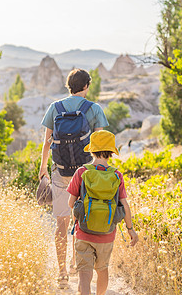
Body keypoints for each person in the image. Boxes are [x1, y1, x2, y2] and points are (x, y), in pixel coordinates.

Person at [39, 68, 109, 288]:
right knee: (82, 221)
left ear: (68, 86)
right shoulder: (94, 108)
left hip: (60, 171)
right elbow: (99, 146)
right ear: (86, 86)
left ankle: (61, 274)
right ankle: (74, 264)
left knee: (61, 222)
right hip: (86, 173)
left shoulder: (54, 107)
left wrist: (43, 168)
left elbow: (47, 143)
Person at [67, 130, 139, 295]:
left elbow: (70, 203)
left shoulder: (81, 172)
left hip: (83, 232)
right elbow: (124, 205)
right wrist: (130, 229)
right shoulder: (116, 175)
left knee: (84, 273)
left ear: (91, 150)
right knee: (102, 269)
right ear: (112, 152)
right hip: (107, 233)